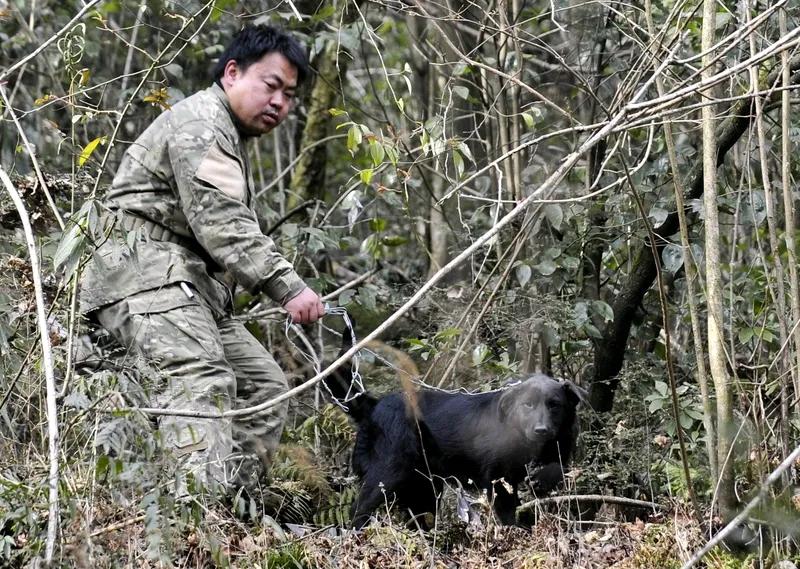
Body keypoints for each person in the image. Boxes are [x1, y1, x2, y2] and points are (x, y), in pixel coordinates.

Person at [79, 25, 325, 495]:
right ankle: (193, 518)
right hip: (143, 276)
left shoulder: (224, 131)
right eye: (271, 86)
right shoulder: (202, 123)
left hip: (186, 285)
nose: (279, 102)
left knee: (263, 388)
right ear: (232, 73)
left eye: (289, 95)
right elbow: (222, 223)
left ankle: (229, 508)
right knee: (200, 379)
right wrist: (288, 287)